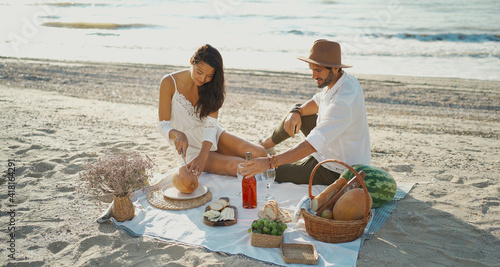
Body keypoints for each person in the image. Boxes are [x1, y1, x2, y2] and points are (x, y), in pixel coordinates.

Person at [242, 39, 371, 185]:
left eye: (318, 70)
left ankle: (267, 157)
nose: (313, 76)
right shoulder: (342, 80)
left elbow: (312, 144)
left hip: (337, 168)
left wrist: (270, 162)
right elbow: (318, 101)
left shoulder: (342, 103)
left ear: (335, 68)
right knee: (298, 110)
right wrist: (296, 111)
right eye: (312, 70)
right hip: (328, 148)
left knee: (271, 172)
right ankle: (266, 145)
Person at [158, 44, 266, 177]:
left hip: (211, 136)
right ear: (192, 60)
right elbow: (163, 125)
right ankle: (228, 155)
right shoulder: (169, 82)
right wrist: (177, 134)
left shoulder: (212, 86)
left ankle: (254, 145)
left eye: (209, 75)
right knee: (244, 168)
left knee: (261, 154)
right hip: (190, 149)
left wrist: (203, 156)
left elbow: (210, 125)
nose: (203, 79)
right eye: (199, 72)